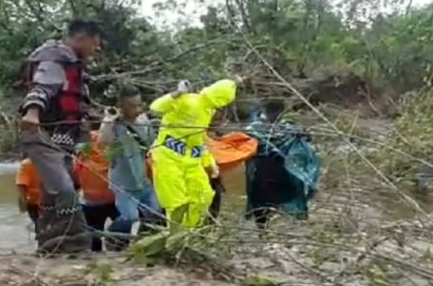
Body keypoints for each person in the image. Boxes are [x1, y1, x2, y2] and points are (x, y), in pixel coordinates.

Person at [19, 19, 102, 254]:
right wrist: (32, 113)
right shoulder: (55, 58)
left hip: (64, 140)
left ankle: (50, 246)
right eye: (94, 44)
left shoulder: (75, 66)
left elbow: (77, 103)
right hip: (42, 134)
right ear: (82, 37)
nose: (95, 49)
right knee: (64, 191)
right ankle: (74, 247)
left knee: (54, 191)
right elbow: (42, 86)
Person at [149, 78, 238, 229]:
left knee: (203, 196)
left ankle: (189, 231)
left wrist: (209, 161)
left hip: (191, 161)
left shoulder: (208, 110)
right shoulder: (187, 100)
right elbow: (155, 107)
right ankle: (177, 236)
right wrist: (178, 93)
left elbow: (199, 138)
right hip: (167, 157)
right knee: (175, 202)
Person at [98, 86, 160, 249]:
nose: (137, 110)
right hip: (123, 182)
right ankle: (112, 239)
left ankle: (143, 243)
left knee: (155, 211)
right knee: (129, 217)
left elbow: (153, 144)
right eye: (132, 106)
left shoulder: (144, 121)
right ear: (122, 106)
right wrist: (109, 120)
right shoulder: (114, 125)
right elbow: (102, 143)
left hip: (142, 179)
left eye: (139, 105)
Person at [245, 100, 320, 229]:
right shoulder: (255, 128)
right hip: (261, 168)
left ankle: (279, 226)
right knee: (260, 198)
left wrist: (303, 134)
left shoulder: (288, 127)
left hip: (281, 168)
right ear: (265, 111)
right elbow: (248, 143)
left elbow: (307, 138)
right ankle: (262, 229)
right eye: (271, 112)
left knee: (283, 195)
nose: (273, 116)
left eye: (276, 113)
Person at [74, 129, 119, 252]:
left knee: (94, 231)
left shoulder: (83, 154)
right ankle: (119, 249)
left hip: (90, 200)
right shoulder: (112, 151)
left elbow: (75, 173)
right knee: (123, 224)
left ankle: (97, 255)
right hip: (114, 198)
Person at [16, 157, 40, 234]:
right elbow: (21, 186)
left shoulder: (26, 164)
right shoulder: (27, 164)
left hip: (49, 201)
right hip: (35, 203)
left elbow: (21, 186)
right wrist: (23, 204)